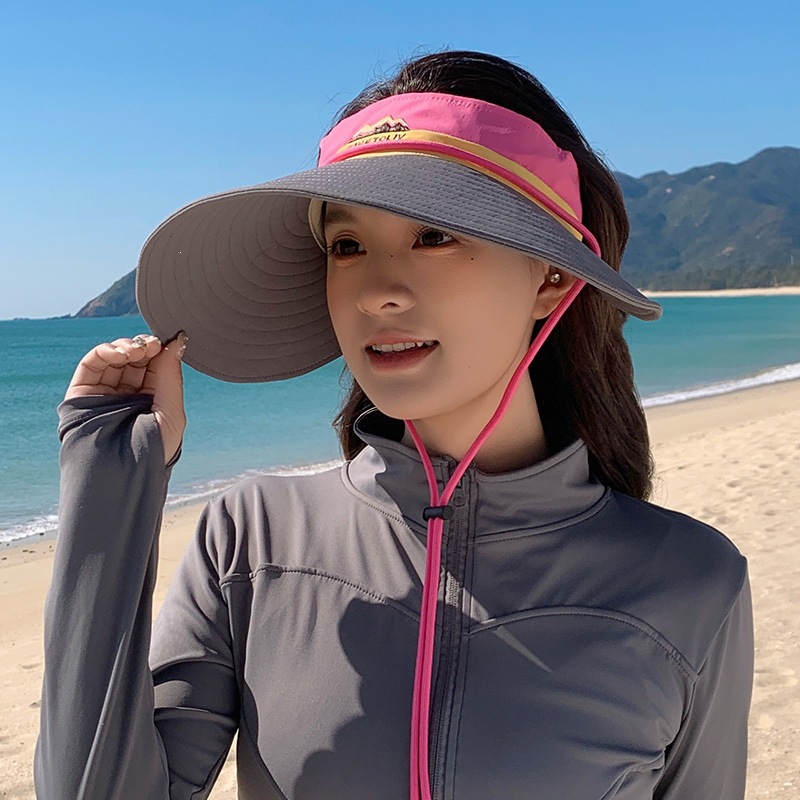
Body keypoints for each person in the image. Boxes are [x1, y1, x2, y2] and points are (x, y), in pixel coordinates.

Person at [34, 51, 754, 799]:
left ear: (551, 275)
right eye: (347, 246)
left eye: (435, 235)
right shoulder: (252, 538)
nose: (377, 292)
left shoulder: (690, 581)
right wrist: (110, 477)